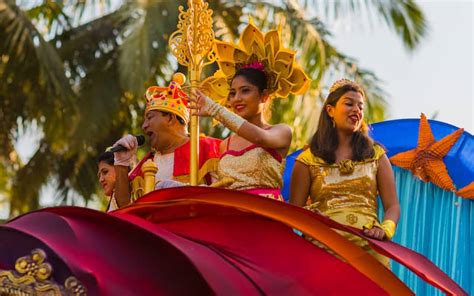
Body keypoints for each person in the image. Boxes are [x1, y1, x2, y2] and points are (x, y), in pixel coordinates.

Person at [190, 22, 311, 200]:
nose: (236, 98)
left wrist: (215, 109)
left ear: (264, 96)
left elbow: (259, 138)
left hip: (267, 216)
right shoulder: (225, 144)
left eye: (245, 90)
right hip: (232, 217)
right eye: (232, 93)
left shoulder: (281, 132)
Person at [289, 78, 400, 268]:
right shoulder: (307, 160)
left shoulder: (376, 156)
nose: (356, 110)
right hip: (322, 249)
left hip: (370, 250)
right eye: (349, 103)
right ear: (330, 110)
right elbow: (293, 214)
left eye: (360, 107)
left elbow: (393, 206)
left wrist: (384, 230)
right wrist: (310, 216)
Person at [113, 73, 221, 208]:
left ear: (170, 118)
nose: (144, 126)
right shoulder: (146, 163)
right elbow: (124, 206)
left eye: (149, 117)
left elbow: (228, 196)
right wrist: (121, 164)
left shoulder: (210, 148)